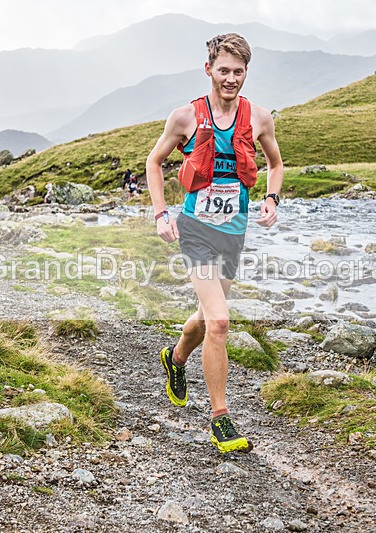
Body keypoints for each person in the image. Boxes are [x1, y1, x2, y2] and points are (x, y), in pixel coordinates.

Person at [146, 33, 283, 453]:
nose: (230, 79)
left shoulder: (258, 117)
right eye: (223, 70)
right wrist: (160, 212)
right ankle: (220, 418)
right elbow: (154, 163)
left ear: (246, 72)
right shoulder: (186, 117)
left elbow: (276, 165)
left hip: (233, 231)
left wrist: (272, 199)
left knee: (207, 318)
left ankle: (176, 358)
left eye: (238, 72)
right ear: (209, 69)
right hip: (196, 230)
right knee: (221, 322)